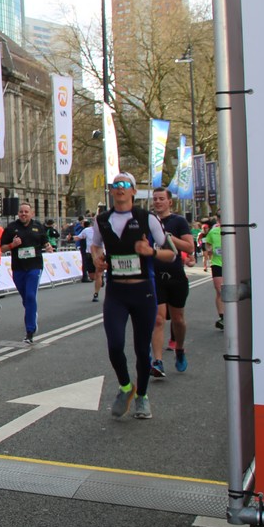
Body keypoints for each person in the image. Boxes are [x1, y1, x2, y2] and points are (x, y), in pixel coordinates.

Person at [91, 173, 180, 420]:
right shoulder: (102, 220)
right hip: (116, 292)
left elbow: (171, 254)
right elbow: (96, 245)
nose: (119, 188)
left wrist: (150, 251)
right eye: (115, 185)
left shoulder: (147, 218)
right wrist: (97, 259)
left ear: (133, 191)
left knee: (142, 349)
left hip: (143, 291)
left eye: (125, 185)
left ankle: (142, 396)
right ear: (112, 191)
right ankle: (126, 387)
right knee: (114, 345)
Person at [149, 186, 196, 375]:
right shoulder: (149, 221)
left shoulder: (178, 221)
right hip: (155, 276)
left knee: (178, 320)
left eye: (161, 198)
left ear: (169, 201)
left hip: (176, 277)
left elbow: (190, 247)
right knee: (158, 319)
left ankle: (180, 349)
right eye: (155, 199)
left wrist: (169, 238)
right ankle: (158, 361)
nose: (158, 202)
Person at [1, 202, 52, 345]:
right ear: (18, 213)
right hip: (18, 267)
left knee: (30, 296)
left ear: (31, 213)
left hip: (34, 266)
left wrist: (48, 246)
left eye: (26, 212)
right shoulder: (11, 228)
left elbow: (45, 241)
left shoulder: (38, 226)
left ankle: (30, 331)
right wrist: (12, 245)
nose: (23, 214)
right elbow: (2, 248)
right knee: (26, 298)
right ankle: (32, 312)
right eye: (21, 212)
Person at [202, 218, 224, 329]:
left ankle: (233, 314)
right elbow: (207, 244)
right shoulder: (213, 231)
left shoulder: (234, 229)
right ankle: (222, 317)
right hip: (217, 263)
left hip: (231, 264)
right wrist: (209, 249)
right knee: (220, 290)